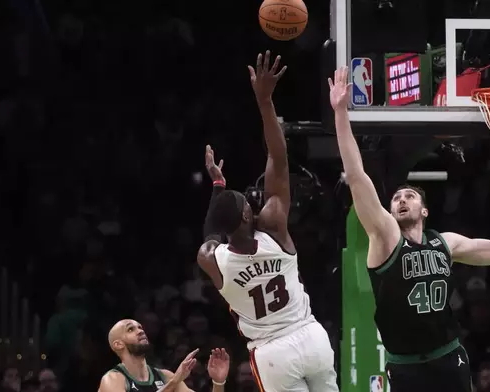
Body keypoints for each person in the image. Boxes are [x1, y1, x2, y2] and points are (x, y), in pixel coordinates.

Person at [328, 66, 490, 392]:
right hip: (406, 366)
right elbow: (357, 175)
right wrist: (340, 113)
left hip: (449, 357)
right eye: (396, 199)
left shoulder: (444, 244)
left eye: (409, 196)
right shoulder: (385, 238)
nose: (401, 200)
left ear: (424, 210)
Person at [197, 51, 338, 392]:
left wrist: (218, 186)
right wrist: (264, 101)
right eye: (247, 200)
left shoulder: (212, 260)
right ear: (247, 214)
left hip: (273, 352)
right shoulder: (274, 224)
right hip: (310, 335)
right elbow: (278, 155)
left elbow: (211, 234)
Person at [97, 319, 230, 392]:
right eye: (131, 329)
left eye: (140, 327)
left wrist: (218, 382)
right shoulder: (112, 379)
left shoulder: (165, 376)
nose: (140, 331)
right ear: (118, 344)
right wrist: (173, 383)